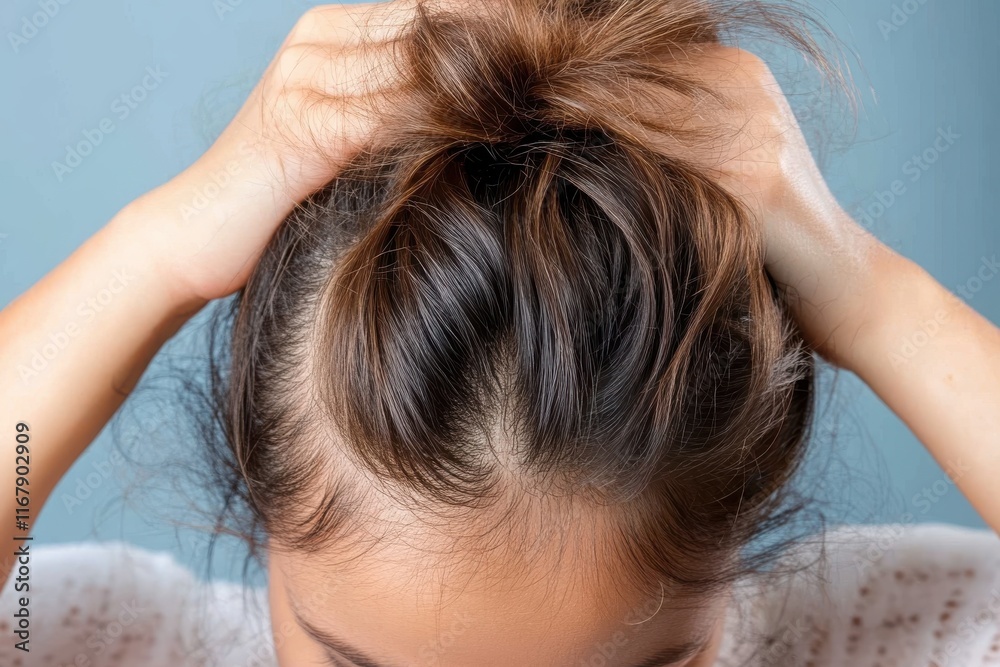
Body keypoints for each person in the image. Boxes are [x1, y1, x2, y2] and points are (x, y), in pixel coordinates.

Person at [2, 1, 999, 665]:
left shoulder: (894, 638)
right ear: (262, 513)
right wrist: (157, 249)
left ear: (736, 529)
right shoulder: (112, 644)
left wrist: (877, 298)